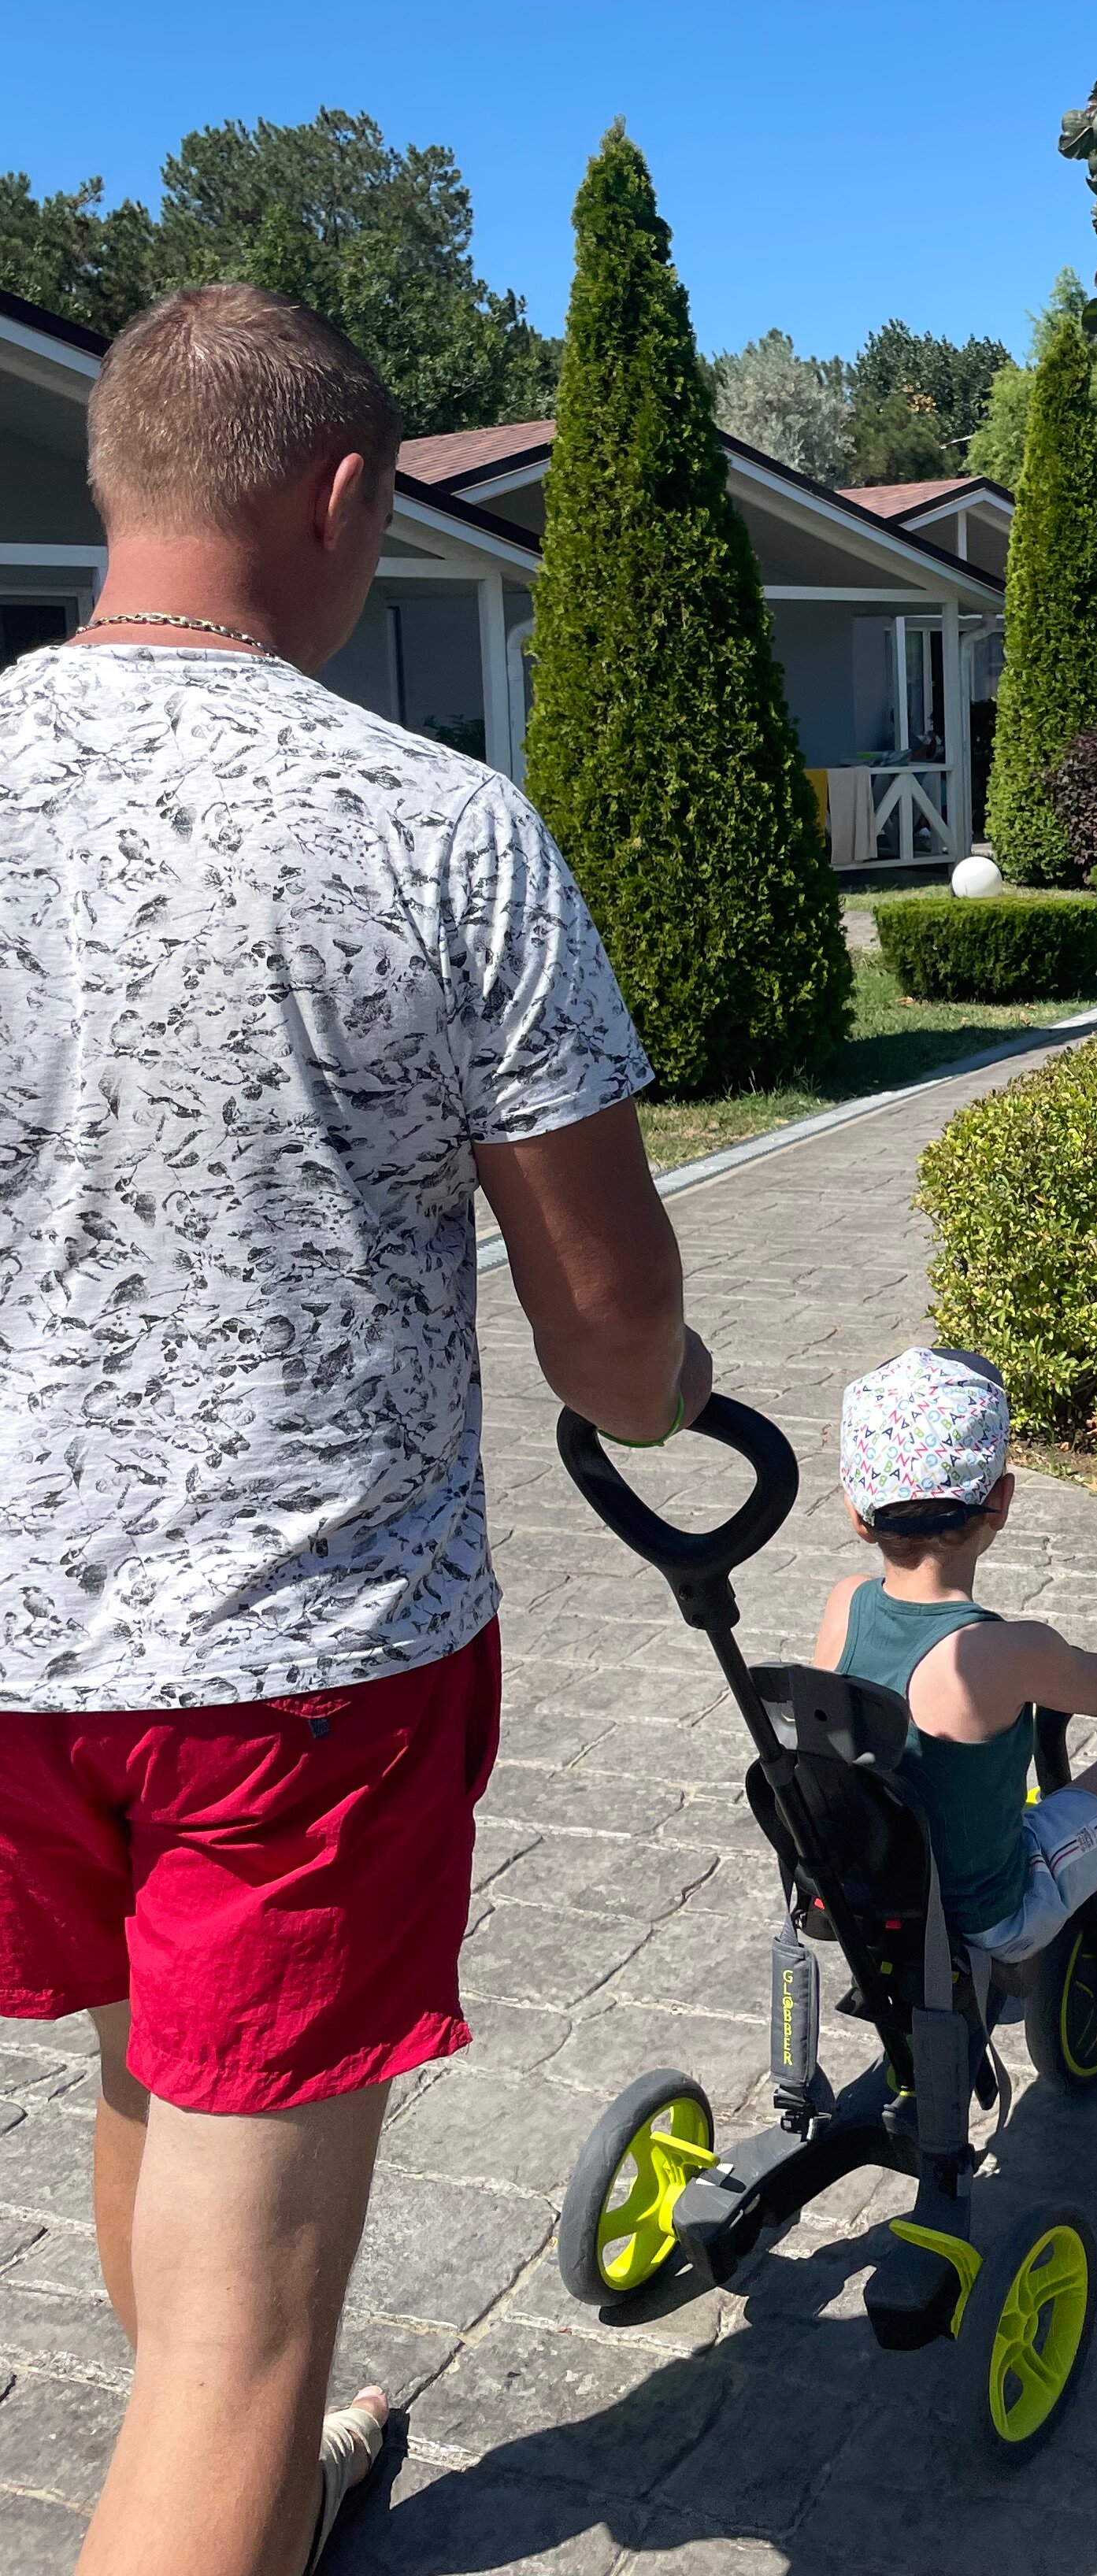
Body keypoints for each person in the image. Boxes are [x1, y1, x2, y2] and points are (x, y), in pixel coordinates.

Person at [0, 285, 709, 2576]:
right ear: (340, 498)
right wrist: (669, 1395)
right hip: (297, 1671)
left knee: (150, 2072)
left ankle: (267, 2502)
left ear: (116, 483)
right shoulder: (437, 832)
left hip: (15, 1658)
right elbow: (611, 1330)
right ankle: (242, 2481)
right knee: (244, 2343)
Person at [817, 1349, 1097, 2054]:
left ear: (858, 1513)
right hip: (984, 1916)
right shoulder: (1004, 1652)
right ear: (1001, 1501)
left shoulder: (845, 1606)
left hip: (870, 1894)